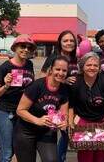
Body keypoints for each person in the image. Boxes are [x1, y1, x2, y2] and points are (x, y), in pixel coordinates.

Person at [13, 55, 69, 162]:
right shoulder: (37, 86)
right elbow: (20, 110)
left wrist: (63, 122)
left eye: (64, 70)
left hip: (46, 132)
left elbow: (64, 114)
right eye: (58, 69)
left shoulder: (64, 90)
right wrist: (37, 120)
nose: (61, 73)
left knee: (52, 160)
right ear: (51, 69)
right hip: (26, 132)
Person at [0, 35, 36, 162]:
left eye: (29, 48)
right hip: (5, 112)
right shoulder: (4, 68)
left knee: (16, 148)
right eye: (22, 46)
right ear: (15, 48)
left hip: (21, 113)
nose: (26, 50)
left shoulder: (29, 64)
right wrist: (6, 86)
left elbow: (31, 87)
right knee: (7, 152)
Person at [68, 52, 104, 162]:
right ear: (82, 66)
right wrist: (70, 123)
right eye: (89, 65)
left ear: (99, 68)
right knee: (86, 156)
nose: (92, 68)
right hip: (83, 123)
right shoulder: (76, 83)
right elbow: (70, 106)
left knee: (101, 156)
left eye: (95, 65)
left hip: (101, 123)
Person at [41, 30, 78, 162]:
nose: (69, 43)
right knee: (52, 135)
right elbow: (42, 76)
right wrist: (63, 80)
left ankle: (60, 158)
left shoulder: (75, 58)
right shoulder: (53, 57)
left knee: (66, 134)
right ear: (60, 43)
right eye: (65, 40)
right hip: (57, 103)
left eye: (71, 41)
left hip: (72, 103)